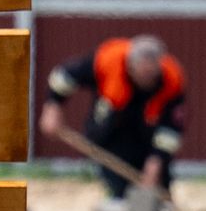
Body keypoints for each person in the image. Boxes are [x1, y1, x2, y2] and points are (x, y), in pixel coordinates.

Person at [41, 35, 188, 198]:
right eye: (142, 73)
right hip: (112, 132)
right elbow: (65, 77)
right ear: (130, 66)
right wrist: (52, 107)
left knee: (159, 188)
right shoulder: (108, 60)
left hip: (149, 137)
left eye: (150, 74)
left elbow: (171, 129)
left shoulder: (172, 80)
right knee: (120, 191)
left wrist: (156, 161)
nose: (146, 80)